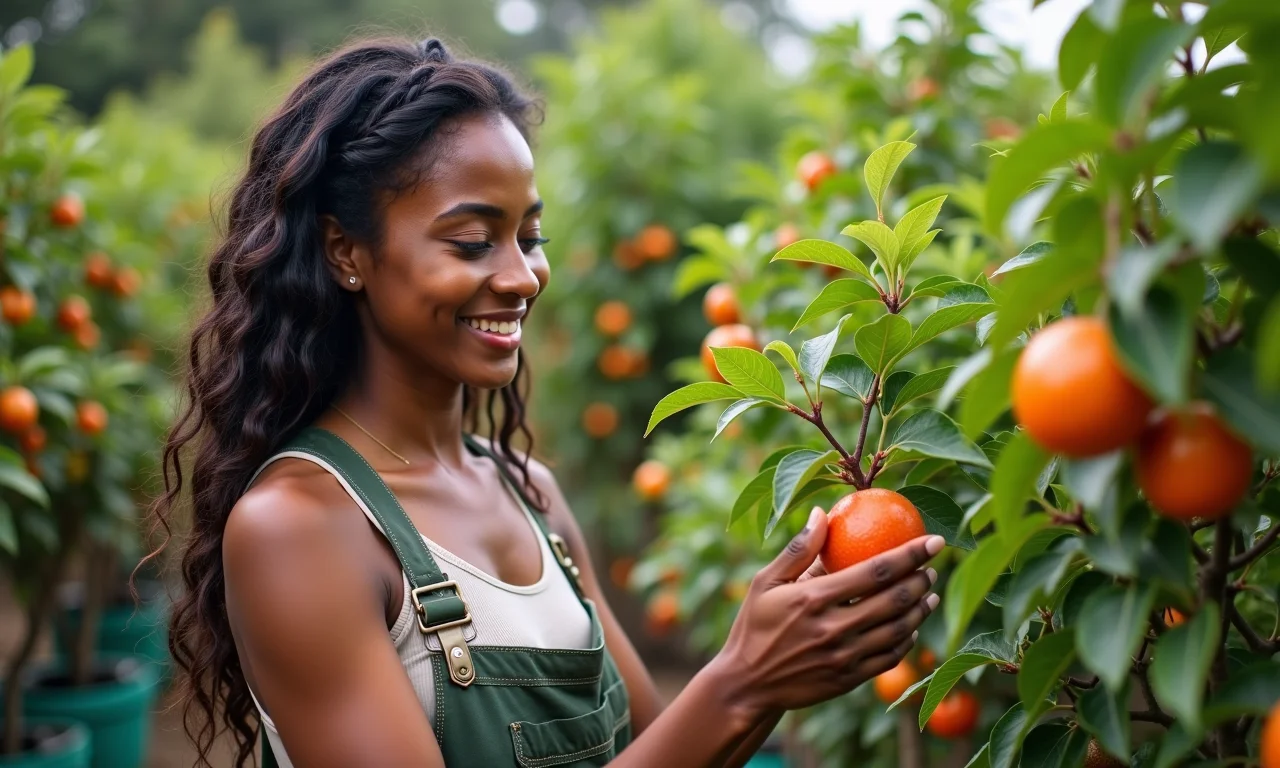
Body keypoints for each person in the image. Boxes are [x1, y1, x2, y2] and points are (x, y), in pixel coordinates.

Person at [149, 36, 943, 768]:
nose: (521, 276)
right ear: (345, 251)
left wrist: (782, 661)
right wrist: (741, 681)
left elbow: (652, 747)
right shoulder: (299, 528)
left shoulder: (531, 493)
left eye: (531, 238)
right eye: (472, 242)